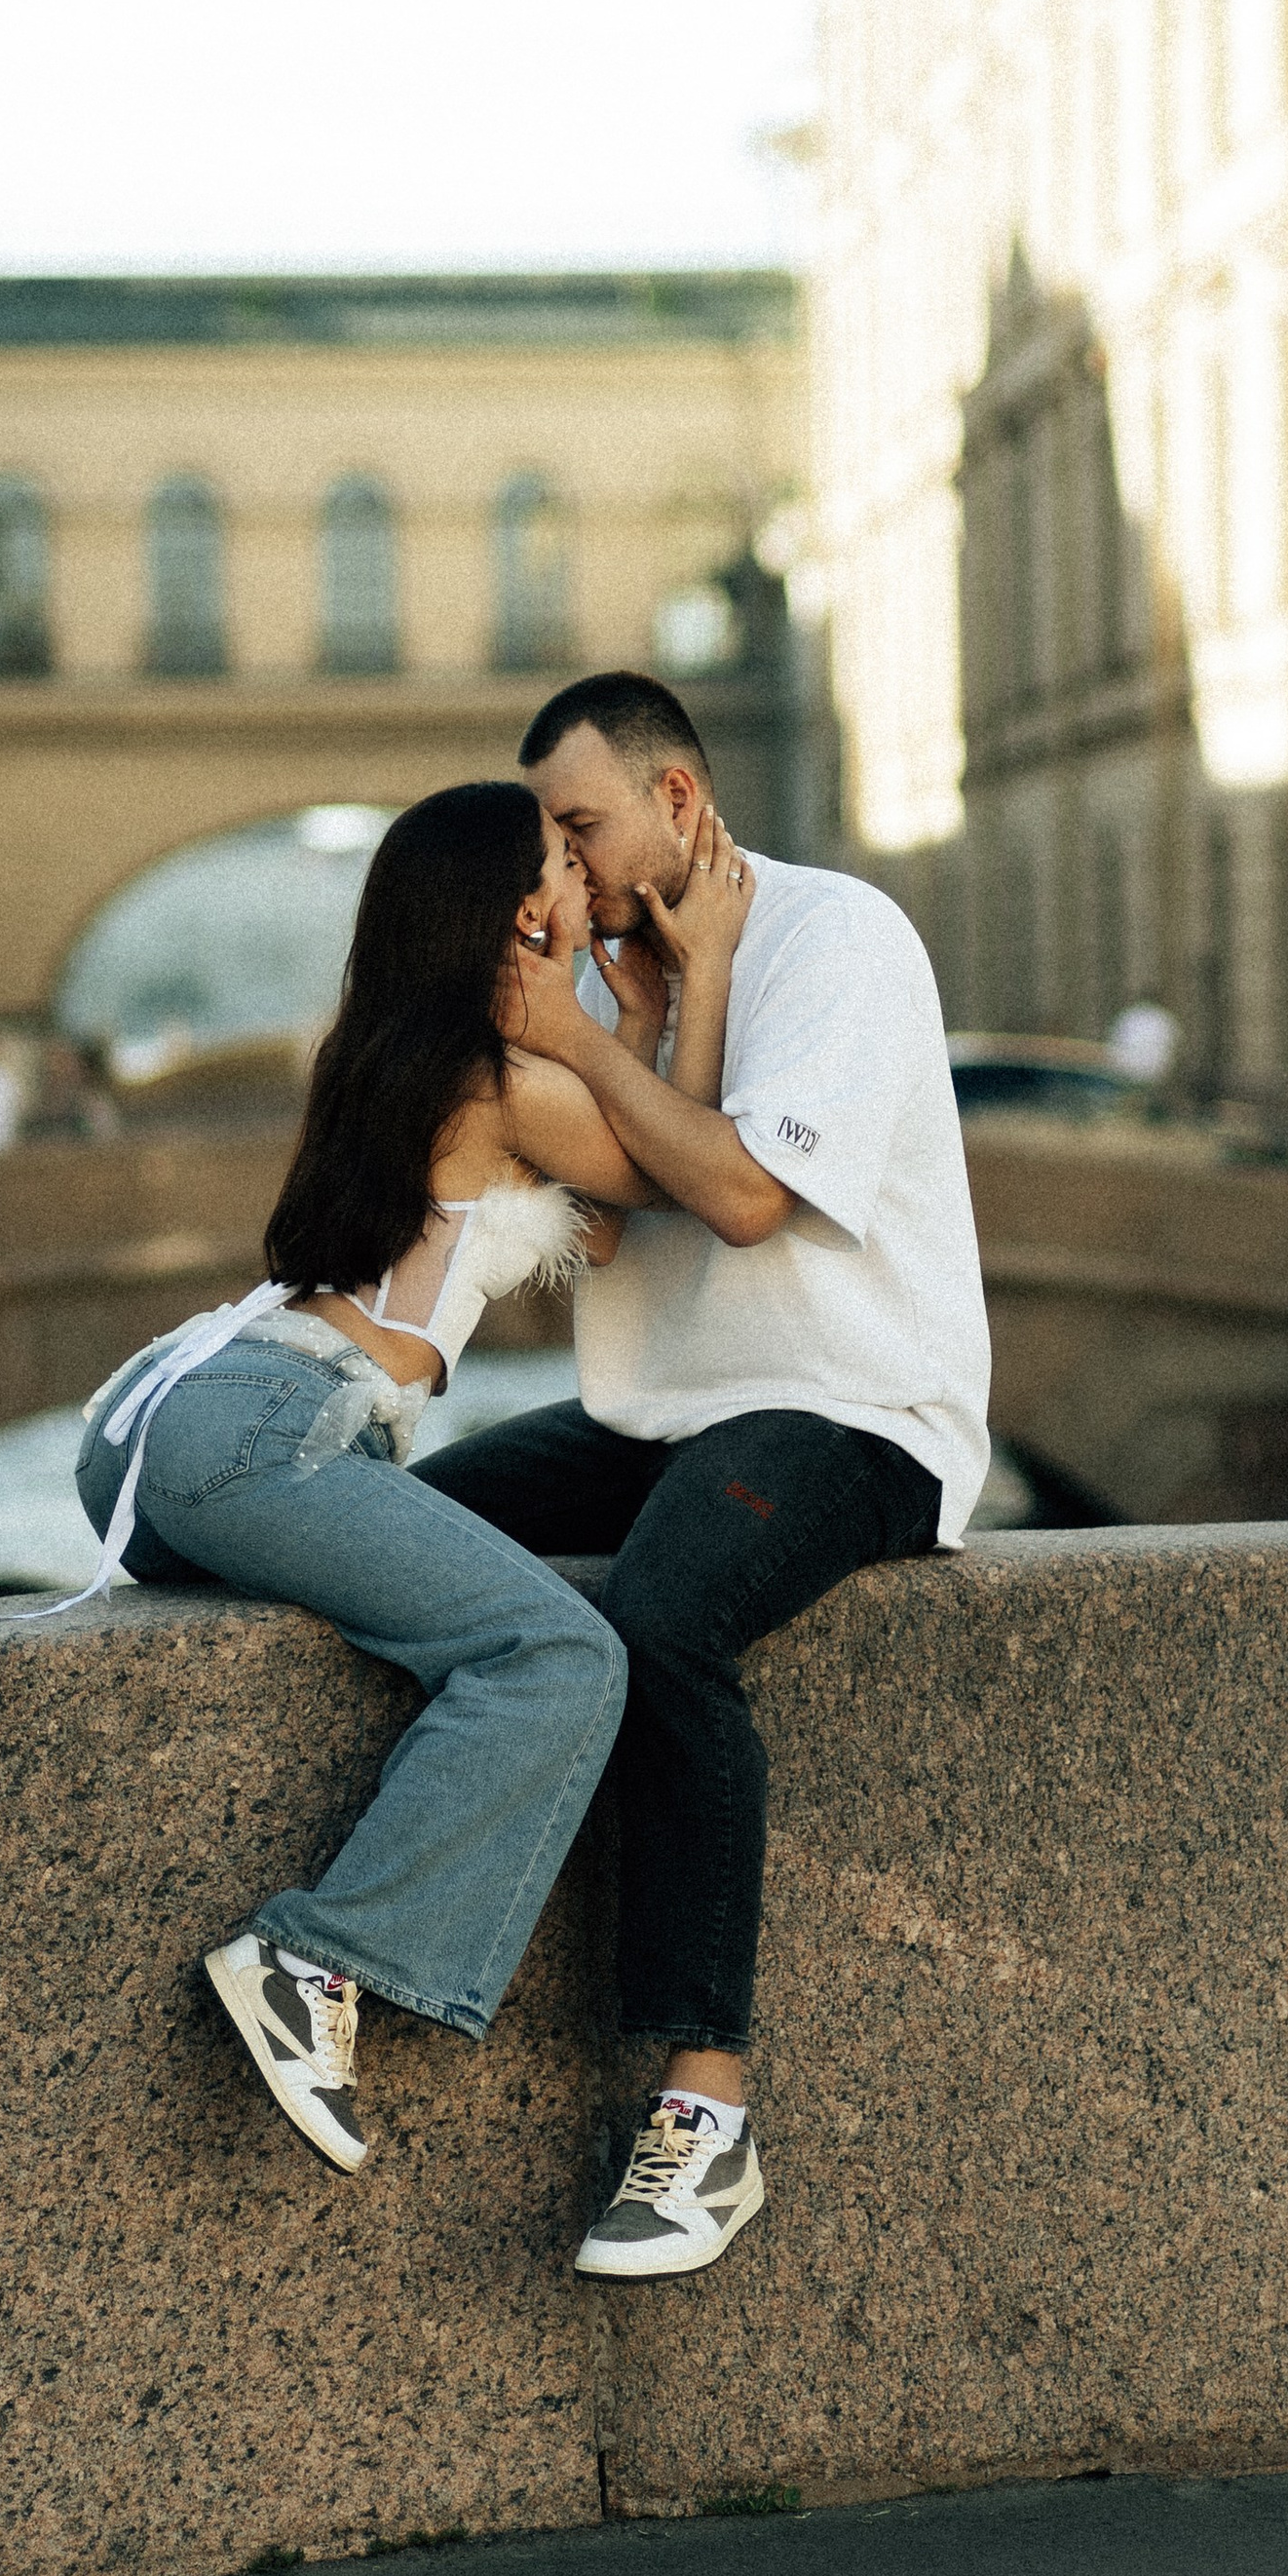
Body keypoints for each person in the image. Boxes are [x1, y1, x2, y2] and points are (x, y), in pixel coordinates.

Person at [67, 777, 758, 2184]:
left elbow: (604, 1228)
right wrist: (709, 973)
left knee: (471, 1614)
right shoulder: (503, 1080)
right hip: (272, 1425)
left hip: (182, 1417)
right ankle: (315, 1958)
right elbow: (690, 1178)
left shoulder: (401, 1050)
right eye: (564, 864)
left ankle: (323, 1957)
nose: (587, 881)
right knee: (559, 1654)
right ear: (519, 908)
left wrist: (609, 1019)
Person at [414, 671, 991, 2281]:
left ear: (679, 803)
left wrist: (594, 1045)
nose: (564, 861)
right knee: (405, 1537)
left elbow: (740, 1194)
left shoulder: (841, 940)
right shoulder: (610, 973)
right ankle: (371, 1937)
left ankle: (706, 2105)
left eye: (582, 823)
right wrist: (628, 1025)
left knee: (664, 1616)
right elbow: (609, 1218)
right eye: (546, 833)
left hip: (855, 1404)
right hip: (661, 1407)